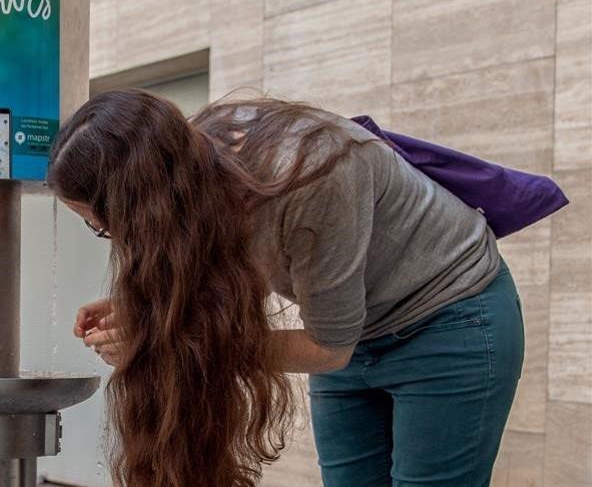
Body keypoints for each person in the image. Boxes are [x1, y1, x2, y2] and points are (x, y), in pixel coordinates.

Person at [48, 89, 524, 487]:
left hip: (450, 319)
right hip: (355, 334)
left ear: (147, 202)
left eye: (104, 226)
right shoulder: (186, 168)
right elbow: (214, 264)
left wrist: (163, 340)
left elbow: (328, 348)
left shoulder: (312, 178)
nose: (116, 240)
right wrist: (151, 311)